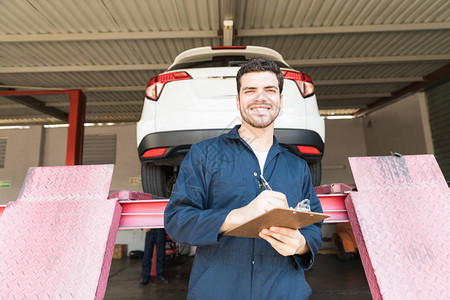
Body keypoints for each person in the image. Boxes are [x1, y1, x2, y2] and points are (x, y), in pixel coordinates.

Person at [164, 57, 323, 299]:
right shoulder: (204, 155)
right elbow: (177, 221)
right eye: (251, 90)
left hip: (284, 291)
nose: (261, 97)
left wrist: (300, 244)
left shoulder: (297, 166)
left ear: (280, 101)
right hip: (218, 291)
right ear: (238, 102)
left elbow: (313, 227)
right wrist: (239, 215)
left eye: (270, 90)